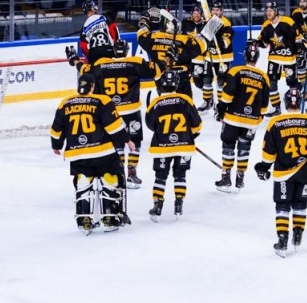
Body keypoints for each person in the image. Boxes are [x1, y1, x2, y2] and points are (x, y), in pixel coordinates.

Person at [67, 39, 164, 189]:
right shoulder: (135, 62)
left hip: (110, 112)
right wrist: (169, 58)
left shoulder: (100, 64)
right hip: (131, 111)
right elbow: (157, 69)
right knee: (135, 142)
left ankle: (119, 173)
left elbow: (83, 70)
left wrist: (74, 59)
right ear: (126, 50)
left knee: (117, 143)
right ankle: (131, 173)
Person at [50, 73, 133, 234]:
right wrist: (127, 140)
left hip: (77, 153)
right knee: (110, 179)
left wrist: (56, 145)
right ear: (93, 87)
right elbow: (114, 127)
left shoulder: (65, 103)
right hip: (102, 152)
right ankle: (109, 218)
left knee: (83, 182)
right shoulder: (102, 101)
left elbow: (56, 129)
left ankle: (85, 220)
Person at [254, 87, 307, 257]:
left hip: (283, 173)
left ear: (285, 103)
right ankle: (298, 234)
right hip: (305, 172)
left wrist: (264, 167)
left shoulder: (275, 123)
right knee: (301, 204)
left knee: (282, 205)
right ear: (300, 102)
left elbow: (268, 152)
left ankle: (282, 239)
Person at [145, 69, 203, 221]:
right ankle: (179, 203)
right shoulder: (186, 100)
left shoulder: (155, 102)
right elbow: (197, 124)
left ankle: (157, 205)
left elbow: (150, 125)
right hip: (184, 145)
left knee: (160, 176)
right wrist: (190, 135)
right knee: (180, 175)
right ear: (177, 84)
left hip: (161, 146)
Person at [214, 40, 271, 192]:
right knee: (245, 148)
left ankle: (226, 177)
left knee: (228, 146)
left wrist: (220, 110)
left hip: (233, 118)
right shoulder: (264, 77)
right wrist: (259, 118)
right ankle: (240, 179)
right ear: (257, 58)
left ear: (245, 56)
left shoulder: (236, 71)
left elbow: (227, 96)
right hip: (251, 121)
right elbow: (265, 104)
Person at [137, 6, 213, 97]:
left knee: (165, 103)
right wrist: (211, 26)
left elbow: (141, 35)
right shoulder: (184, 38)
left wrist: (144, 19)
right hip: (181, 75)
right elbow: (202, 45)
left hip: (160, 75)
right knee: (185, 103)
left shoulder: (154, 36)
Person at [255, 2, 302, 117]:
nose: (268, 13)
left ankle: (297, 100)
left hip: (289, 58)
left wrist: (300, 53)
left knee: (292, 83)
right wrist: (256, 43)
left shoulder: (288, 22)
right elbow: (264, 43)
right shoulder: (266, 25)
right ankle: (276, 108)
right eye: (267, 10)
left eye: (270, 10)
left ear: (276, 11)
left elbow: (298, 38)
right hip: (274, 58)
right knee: (271, 83)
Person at [198, 1, 235, 112]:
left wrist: (215, 36)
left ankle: (221, 104)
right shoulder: (211, 21)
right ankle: (207, 101)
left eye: (217, 10)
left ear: (221, 11)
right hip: (210, 56)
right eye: (213, 9)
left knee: (221, 82)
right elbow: (203, 38)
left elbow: (225, 43)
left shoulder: (226, 23)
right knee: (206, 79)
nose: (215, 12)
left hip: (223, 58)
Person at [79, 0, 120, 64]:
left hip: (93, 53)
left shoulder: (84, 27)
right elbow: (114, 30)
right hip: (107, 49)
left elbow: (83, 48)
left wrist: (90, 56)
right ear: (92, 8)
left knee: (95, 73)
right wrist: (116, 45)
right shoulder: (103, 17)